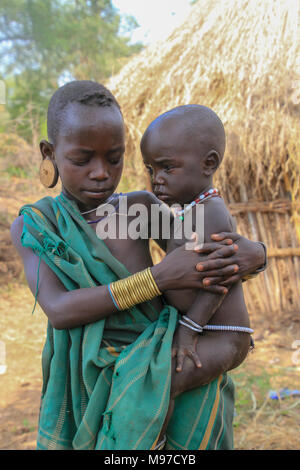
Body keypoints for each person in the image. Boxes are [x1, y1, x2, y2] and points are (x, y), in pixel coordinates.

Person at [10, 81, 266, 450]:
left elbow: (208, 257)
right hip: (91, 380)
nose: (101, 173)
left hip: (168, 362)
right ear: (50, 152)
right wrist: (157, 278)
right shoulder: (37, 226)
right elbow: (59, 310)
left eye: (114, 158)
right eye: (83, 160)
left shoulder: (138, 209)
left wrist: (257, 255)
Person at [141, 104, 265, 449]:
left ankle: (159, 446)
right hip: (209, 331)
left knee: (161, 384)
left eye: (167, 167)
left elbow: (218, 283)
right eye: (151, 169)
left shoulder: (210, 213)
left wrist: (188, 330)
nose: (157, 179)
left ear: (209, 164)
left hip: (223, 336)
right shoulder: (188, 212)